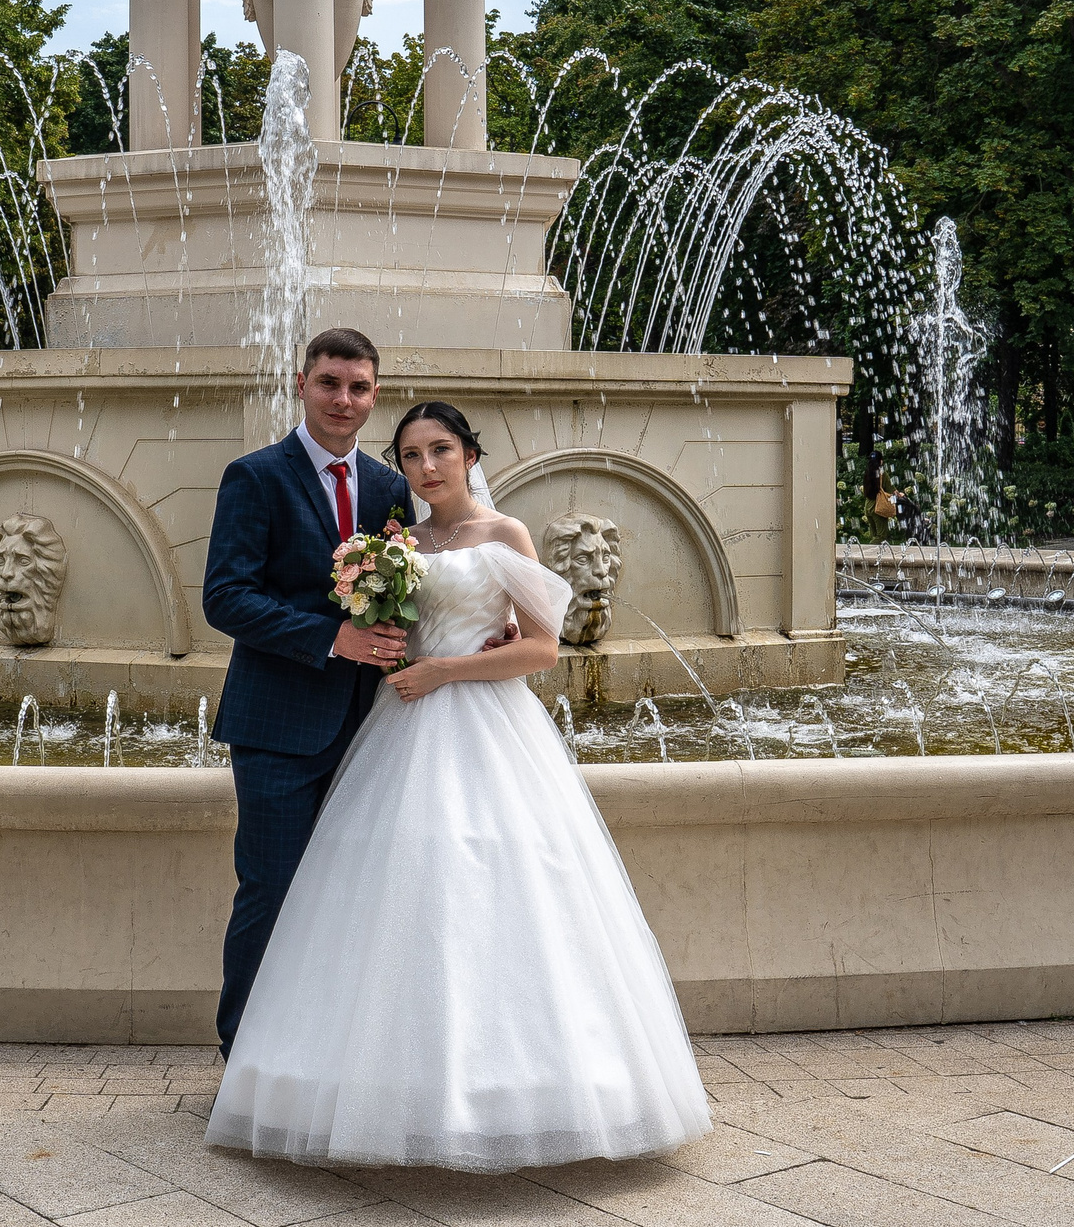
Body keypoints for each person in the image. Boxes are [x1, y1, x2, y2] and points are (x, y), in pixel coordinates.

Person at [207, 400, 712, 1170]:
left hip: (482, 727)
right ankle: (354, 1081)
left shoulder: (505, 535)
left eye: (440, 450)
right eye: (411, 456)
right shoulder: (398, 541)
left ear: (471, 455)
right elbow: (390, 626)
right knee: (380, 901)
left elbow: (542, 650)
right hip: (398, 726)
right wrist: (396, 649)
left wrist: (451, 667)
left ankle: (513, 1088)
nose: (425, 467)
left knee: (494, 896)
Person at [201, 329, 419, 1058]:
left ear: (374, 394)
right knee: (269, 891)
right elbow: (226, 598)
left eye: (358, 387)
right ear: (302, 383)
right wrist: (333, 640)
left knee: (352, 894)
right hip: (277, 727)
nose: (343, 399)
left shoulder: (391, 488)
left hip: (370, 728)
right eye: (330, 383)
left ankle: (326, 1055)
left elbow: (407, 595)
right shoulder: (255, 477)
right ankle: (244, 1056)